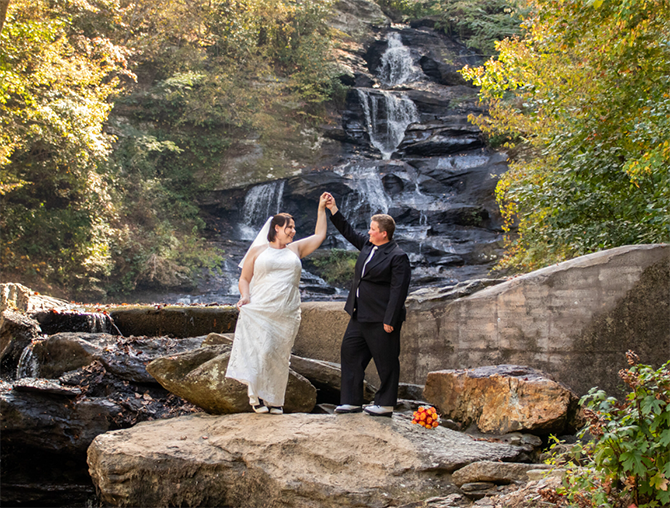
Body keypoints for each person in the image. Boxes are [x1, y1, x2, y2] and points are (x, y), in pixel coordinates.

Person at [225, 193, 329, 414]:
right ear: (275, 229)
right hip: (261, 308)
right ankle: (256, 397)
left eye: (293, 227)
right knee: (261, 352)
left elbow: (320, 235)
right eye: (288, 227)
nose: (292, 230)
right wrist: (245, 296)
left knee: (280, 356)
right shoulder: (258, 251)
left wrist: (321, 209)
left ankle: (275, 400)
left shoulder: (296, 249)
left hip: (287, 311)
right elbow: (244, 278)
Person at [323, 193, 411, 417]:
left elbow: (398, 291)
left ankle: (385, 403)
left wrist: (390, 320)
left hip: (381, 318)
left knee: (386, 361)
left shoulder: (398, 256)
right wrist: (333, 209)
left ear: (383, 233)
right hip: (359, 315)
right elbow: (349, 231)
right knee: (350, 352)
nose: (368, 231)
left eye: (372, 229)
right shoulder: (367, 245)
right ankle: (351, 401)